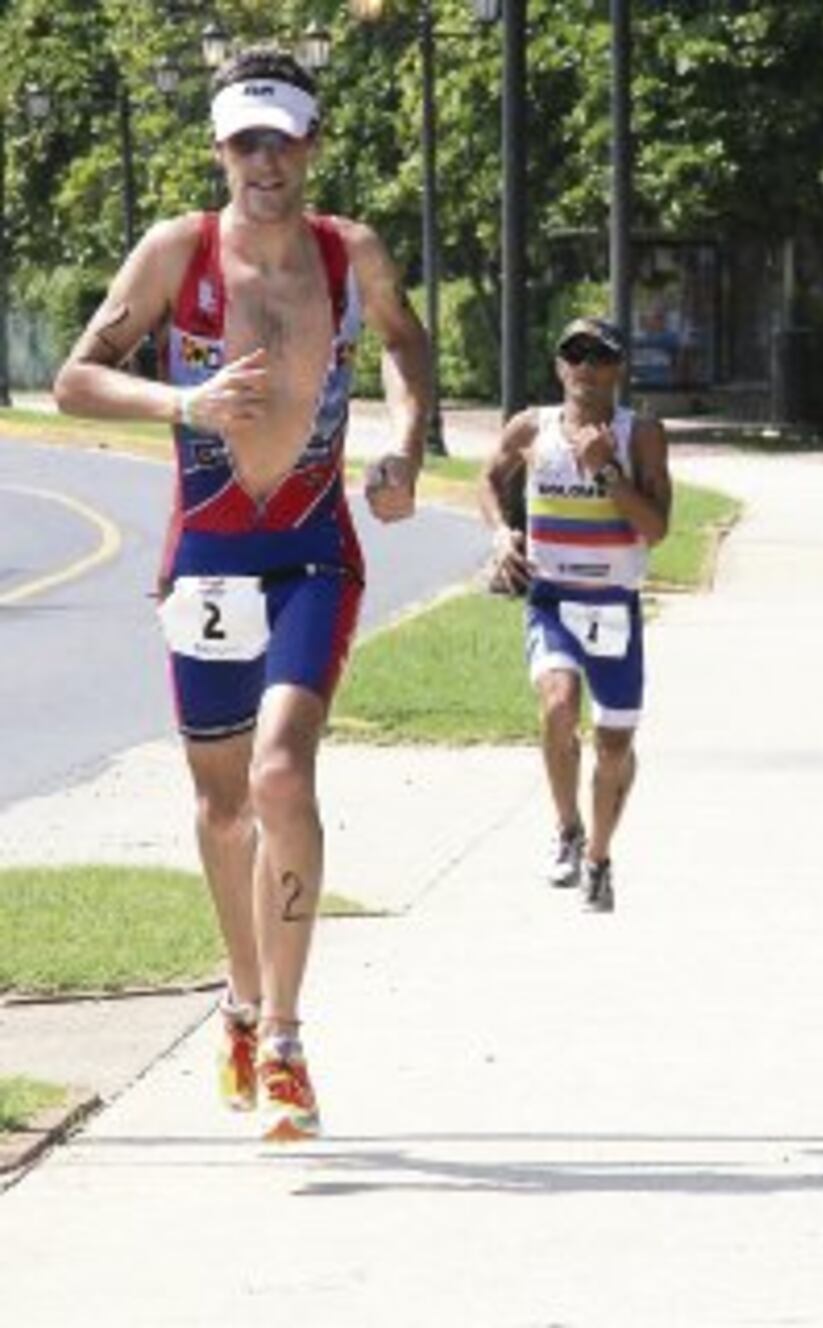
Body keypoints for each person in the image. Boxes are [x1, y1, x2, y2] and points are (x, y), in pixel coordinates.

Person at [53, 46, 429, 1140]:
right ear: (220, 148)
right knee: (222, 808)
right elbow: (77, 377)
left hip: (312, 542)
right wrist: (185, 401)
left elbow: (403, 349)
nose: (263, 159)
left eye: (282, 138)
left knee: (279, 773)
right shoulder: (177, 252)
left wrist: (402, 447)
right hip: (207, 553)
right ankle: (239, 993)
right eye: (243, 140)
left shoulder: (347, 251)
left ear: (310, 145)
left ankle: (285, 1037)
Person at [479, 316, 671, 912]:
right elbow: (488, 479)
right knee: (558, 704)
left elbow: (656, 528)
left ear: (618, 368)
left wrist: (607, 471)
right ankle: (567, 830)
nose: (586, 367)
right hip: (553, 598)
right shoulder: (531, 427)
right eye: (574, 354)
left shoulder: (640, 434)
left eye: (599, 355)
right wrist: (500, 534)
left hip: (614, 603)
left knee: (614, 745)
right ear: (560, 366)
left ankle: (599, 858)